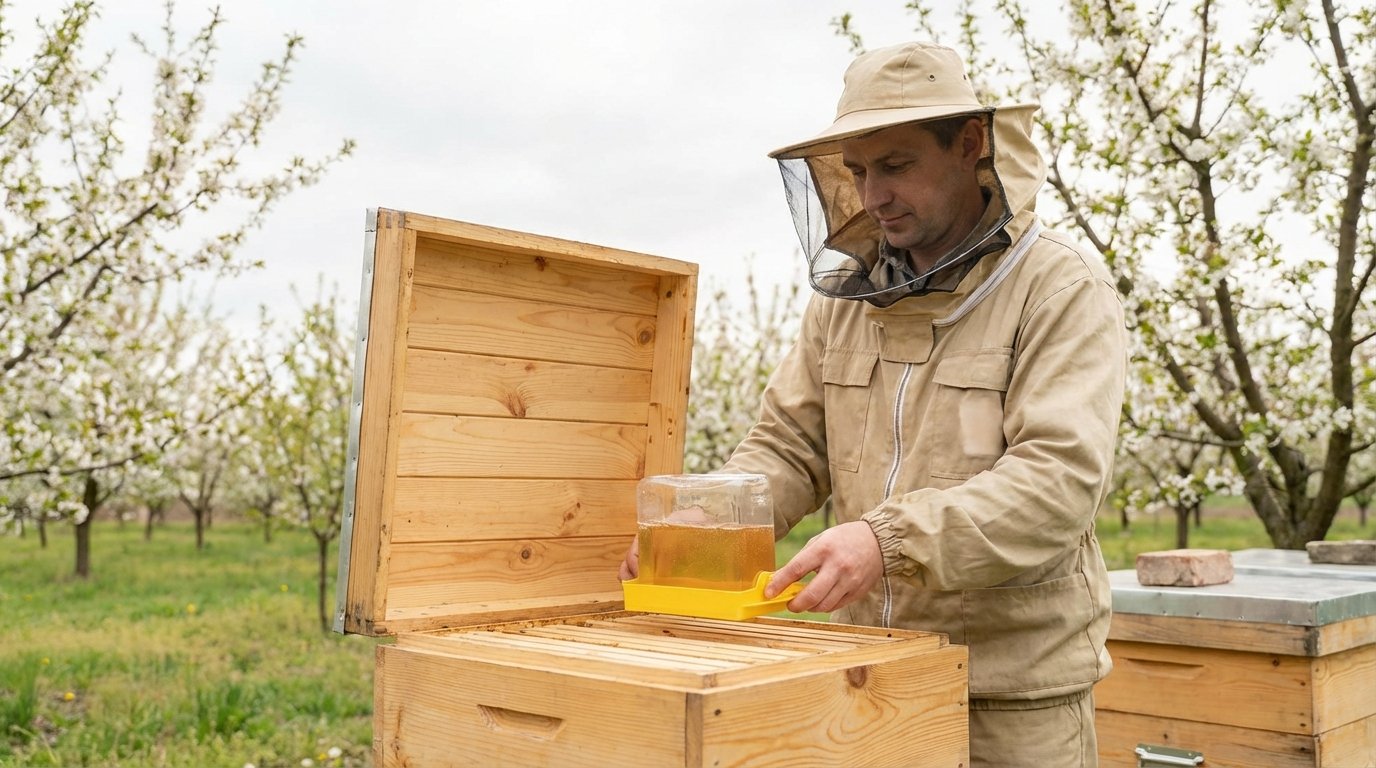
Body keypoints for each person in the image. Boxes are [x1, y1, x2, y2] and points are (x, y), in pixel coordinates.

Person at [622, 41, 1125, 767]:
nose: (872, 195)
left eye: (895, 165)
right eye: (858, 171)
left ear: (971, 145)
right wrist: (711, 519)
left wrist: (886, 541)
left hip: (1010, 698)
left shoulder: (1059, 288)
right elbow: (790, 446)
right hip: (865, 678)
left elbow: (1058, 482)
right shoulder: (846, 302)